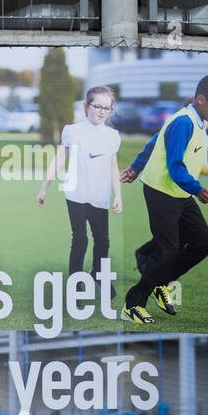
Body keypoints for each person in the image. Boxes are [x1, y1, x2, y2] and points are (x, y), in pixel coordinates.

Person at [120, 74, 208, 324]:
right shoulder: (184, 122)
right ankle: (132, 305)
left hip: (180, 192)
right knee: (169, 250)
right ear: (201, 100)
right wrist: (198, 189)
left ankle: (158, 280)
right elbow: (175, 165)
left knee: (203, 243)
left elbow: (188, 159)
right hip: (161, 192)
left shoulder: (200, 125)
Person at [36, 86, 123, 286]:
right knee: (81, 240)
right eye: (97, 106)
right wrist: (44, 188)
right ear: (86, 106)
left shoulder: (112, 136)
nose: (102, 111)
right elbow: (58, 160)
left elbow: (113, 166)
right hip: (76, 194)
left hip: (100, 195)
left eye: (107, 108)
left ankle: (98, 275)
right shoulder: (72, 131)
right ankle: (75, 286)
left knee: (103, 241)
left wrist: (118, 195)